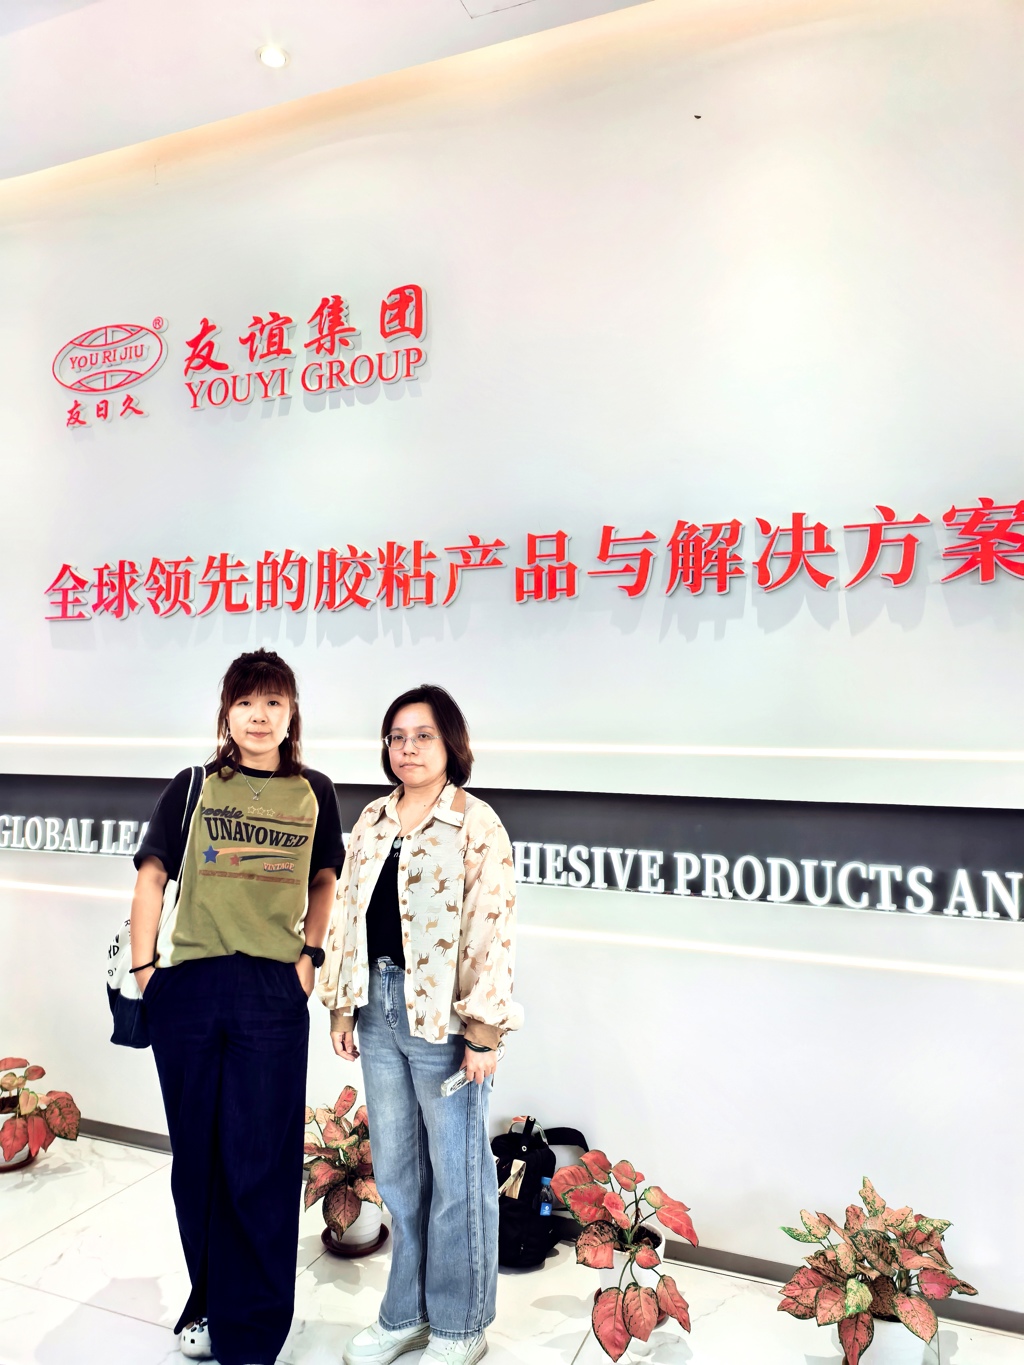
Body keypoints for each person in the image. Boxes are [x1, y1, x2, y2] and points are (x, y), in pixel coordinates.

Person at [130, 649, 345, 1365]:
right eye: (246, 702)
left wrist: (309, 957)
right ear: (227, 712)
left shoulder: (314, 791)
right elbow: (152, 875)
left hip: (270, 991)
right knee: (197, 1161)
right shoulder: (193, 785)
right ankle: (209, 1299)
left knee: (261, 1162)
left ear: (291, 713)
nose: (259, 716)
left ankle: (251, 1330)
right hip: (190, 987)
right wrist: (146, 971)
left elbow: (325, 879)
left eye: (273, 702)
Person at [318, 684, 522, 1365]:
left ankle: (461, 1325)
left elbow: (492, 931)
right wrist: (341, 1002)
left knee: (458, 1175)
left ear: (450, 743)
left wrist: (484, 1031)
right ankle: (405, 1312)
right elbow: (346, 915)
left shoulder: (476, 824)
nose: (407, 748)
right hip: (378, 1007)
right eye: (397, 737)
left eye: (423, 735)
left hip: (443, 1018)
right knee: (401, 1174)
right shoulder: (373, 819)